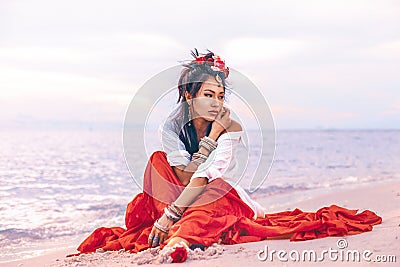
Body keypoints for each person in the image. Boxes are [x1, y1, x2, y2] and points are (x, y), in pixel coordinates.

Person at [75, 49, 382, 256]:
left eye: (220, 96)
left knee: (214, 189)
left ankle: (181, 239)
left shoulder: (230, 126)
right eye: (208, 94)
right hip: (185, 193)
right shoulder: (171, 126)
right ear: (188, 94)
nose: (216, 103)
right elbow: (181, 175)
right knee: (157, 160)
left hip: (221, 196)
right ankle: (180, 227)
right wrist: (208, 141)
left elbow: (206, 178)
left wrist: (169, 216)